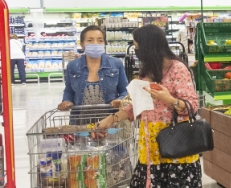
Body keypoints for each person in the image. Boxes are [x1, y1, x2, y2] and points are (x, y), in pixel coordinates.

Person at [96, 25, 201, 187]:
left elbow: (193, 106)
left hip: (175, 148)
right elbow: (138, 105)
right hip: (150, 148)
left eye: (137, 47)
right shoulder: (147, 71)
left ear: (149, 46)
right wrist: (111, 119)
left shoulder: (177, 69)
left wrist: (169, 99)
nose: (135, 51)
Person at [59, 26, 128, 116]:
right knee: (83, 131)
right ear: (82, 45)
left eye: (100, 40)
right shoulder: (73, 66)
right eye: (90, 40)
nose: (96, 44)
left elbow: (125, 90)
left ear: (104, 43)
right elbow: (69, 90)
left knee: (110, 131)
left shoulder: (116, 64)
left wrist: (120, 99)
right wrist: (66, 101)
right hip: (81, 122)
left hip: (110, 122)